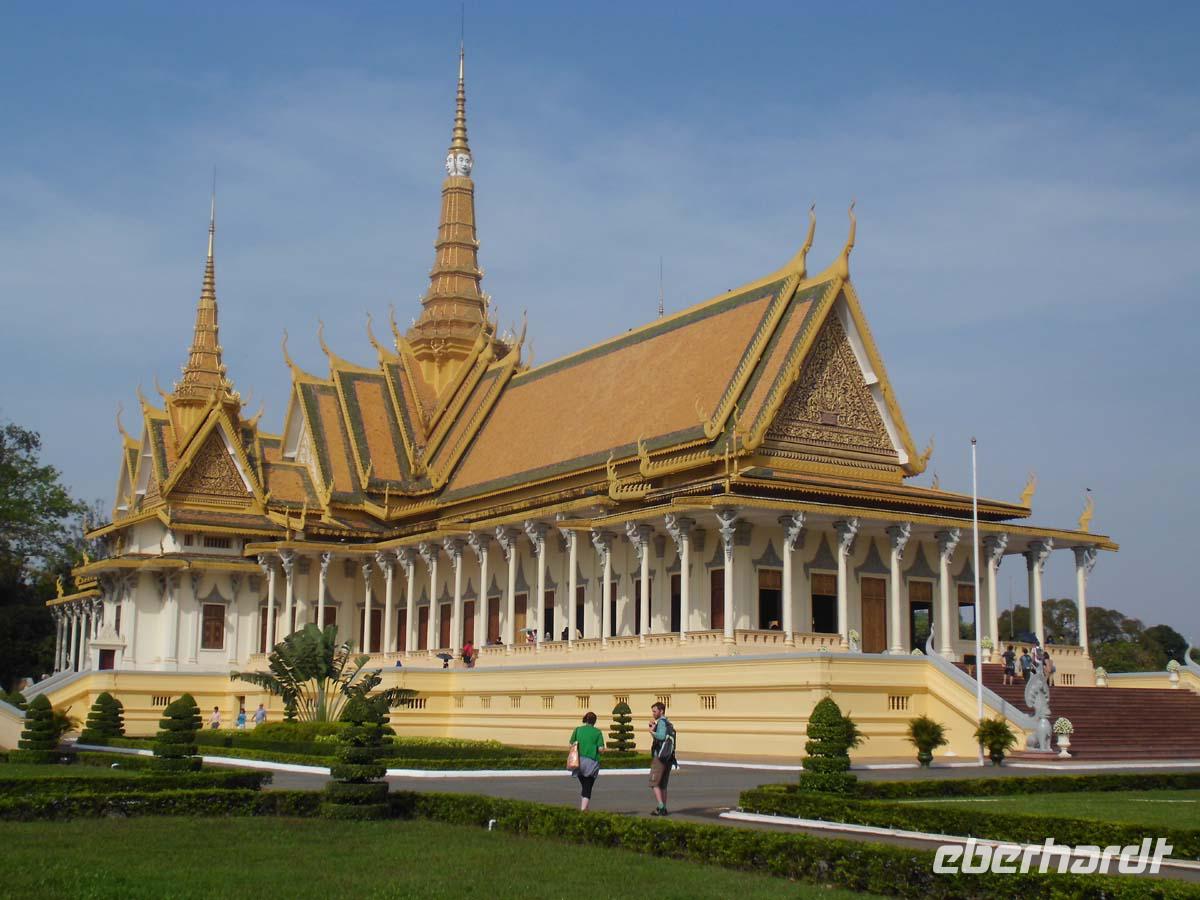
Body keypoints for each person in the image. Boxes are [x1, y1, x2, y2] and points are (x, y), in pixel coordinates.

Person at [568, 711, 605, 811]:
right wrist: (596, 748)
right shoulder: (597, 732)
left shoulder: (578, 730)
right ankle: (583, 810)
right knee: (588, 787)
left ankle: (585, 807)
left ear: (585, 720)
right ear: (595, 721)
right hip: (591, 762)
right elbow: (601, 749)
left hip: (578, 762)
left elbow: (571, 744)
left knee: (585, 786)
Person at [647, 701, 676, 816]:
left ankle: (661, 806)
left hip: (660, 757)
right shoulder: (668, 723)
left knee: (654, 783)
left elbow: (661, 736)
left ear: (661, 711)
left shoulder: (662, 723)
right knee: (663, 785)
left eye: (655, 711)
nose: (653, 713)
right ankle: (664, 808)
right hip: (668, 757)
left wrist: (651, 731)